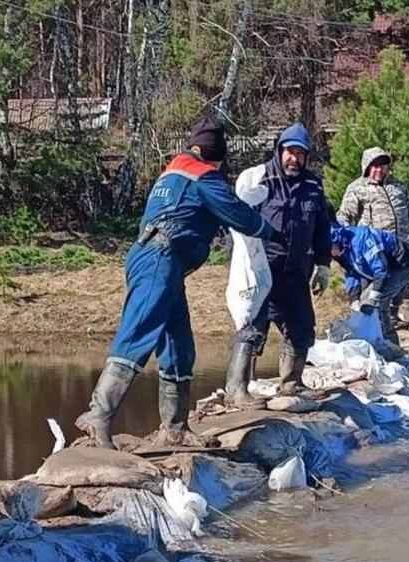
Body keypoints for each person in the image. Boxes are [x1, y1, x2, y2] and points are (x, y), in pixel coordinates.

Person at [75, 116, 271, 448]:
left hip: (163, 259)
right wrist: (270, 230)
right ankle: (98, 415)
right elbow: (239, 214)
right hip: (159, 259)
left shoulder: (173, 172)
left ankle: (176, 428)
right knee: (138, 333)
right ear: (215, 154)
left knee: (179, 346)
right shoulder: (202, 176)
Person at [225, 123, 334, 408]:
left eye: (300, 153)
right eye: (289, 152)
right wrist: (238, 265)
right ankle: (236, 388)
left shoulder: (312, 185)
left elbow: (323, 228)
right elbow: (237, 221)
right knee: (252, 326)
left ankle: (292, 383)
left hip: (297, 272)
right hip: (262, 270)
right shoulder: (260, 180)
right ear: (279, 151)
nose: (294, 159)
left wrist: (323, 265)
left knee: (302, 328)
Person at [335, 147, 409, 301]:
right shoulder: (357, 188)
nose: (379, 170)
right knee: (371, 295)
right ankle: (368, 321)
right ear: (367, 167)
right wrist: (345, 238)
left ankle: (392, 319)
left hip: (400, 249)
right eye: (375, 166)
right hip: (374, 251)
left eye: (383, 166)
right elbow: (344, 214)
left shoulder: (398, 186)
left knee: (398, 294)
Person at [329, 225, 409, 347]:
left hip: (401, 265)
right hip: (383, 271)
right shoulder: (341, 251)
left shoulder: (361, 240)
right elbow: (351, 273)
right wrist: (354, 298)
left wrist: (374, 297)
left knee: (378, 306)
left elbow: (381, 270)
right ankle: (374, 341)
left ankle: (391, 347)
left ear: (336, 241)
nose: (329, 254)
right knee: (362, 305)